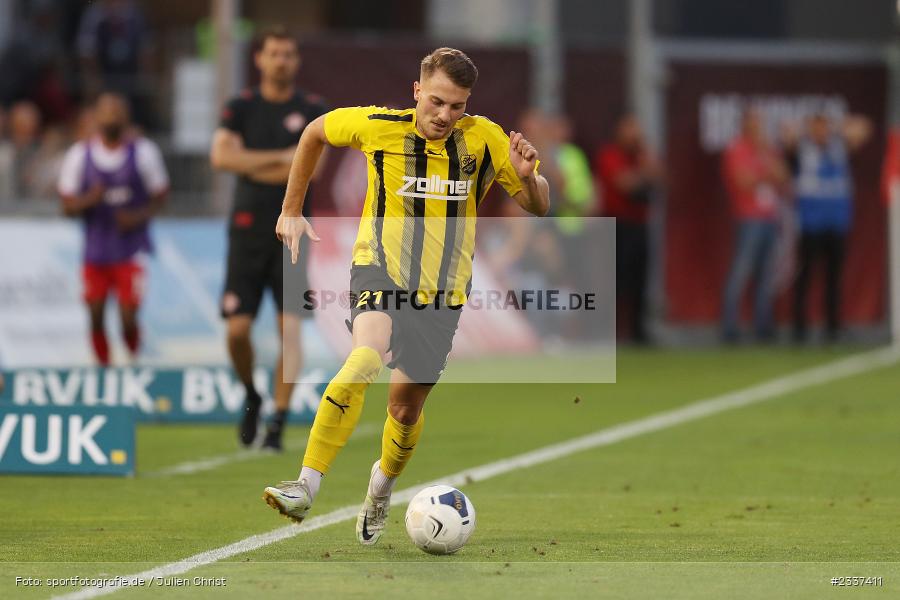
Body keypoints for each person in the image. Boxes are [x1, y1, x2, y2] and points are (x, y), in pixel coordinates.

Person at [263, 47, 549, 545]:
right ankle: (306, 486)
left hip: (442, 296)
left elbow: (538, 205)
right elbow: (313, 133)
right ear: (417, 90)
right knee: (364, 359)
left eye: (457, 106)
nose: (445, 115)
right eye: (437, 101)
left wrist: (529, 179)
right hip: (379, 270)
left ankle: (380, 488)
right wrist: (291, 208)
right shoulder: (378, 125)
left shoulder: (484, 139)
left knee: (403, 411)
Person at [209, 27, 328, 451]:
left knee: (288, 330)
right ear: (260, 58)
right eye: (274, 53)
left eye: (288, 53)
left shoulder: (312, 109)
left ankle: (277, 422)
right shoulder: (240, 106)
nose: (281, 60)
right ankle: (251, 393)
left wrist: (253, 164)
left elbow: (309, 169)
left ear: (296, 61)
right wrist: (282, 157)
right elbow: (221, 157)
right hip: (246, 231)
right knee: (237, 330)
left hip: (293, 234)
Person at [57, 92, 169, 365]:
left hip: (131, 249)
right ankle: (103, 366)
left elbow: (161, 195)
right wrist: (88, 201)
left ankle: (132, 357)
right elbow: (66, 206)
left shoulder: (144, 153)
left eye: (117, 111)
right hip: (95, 250)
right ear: (96, 117)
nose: (112, 117)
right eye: (107, 111)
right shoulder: (79, 155)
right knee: (95, 314)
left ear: (126, 117)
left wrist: (138, 216)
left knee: (128, 316)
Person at [783, 112, 871, 343]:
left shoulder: (838, 147)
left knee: (834, 278)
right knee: (805, 276)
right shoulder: (802, 149)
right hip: (810, 223)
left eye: (823, 127)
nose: (820, 131)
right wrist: (800, 132)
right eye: (816, 127)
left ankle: (833, 328)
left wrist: (838, 128)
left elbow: (863, 128)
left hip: (836, 222)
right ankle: (799, 328)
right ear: (810, 129)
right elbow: (788, 139)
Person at [720, 108, 789, 343]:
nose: (758, 127)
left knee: (766, 275)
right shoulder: (736, 149)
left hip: (770, 216)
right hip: (748, 218)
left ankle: (763, 327)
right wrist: (765, 173)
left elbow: (782, 176)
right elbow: (744, 181)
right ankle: (729, 327)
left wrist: (765, 161)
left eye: (760, 122)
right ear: (745, 124)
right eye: (754, 122)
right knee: (740, 272)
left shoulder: (768, 148)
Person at [595, 113, 662, 344]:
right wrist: (645, 175)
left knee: (640, 280)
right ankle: (605, 332)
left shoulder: (640, 157)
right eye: (630, 128)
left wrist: (645, 167)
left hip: (640, 224)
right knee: (614, 280)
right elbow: (626, 185)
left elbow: (660, 177)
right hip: (616, 225)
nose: (635, 134)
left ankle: (638, 331)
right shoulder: (610, 155)